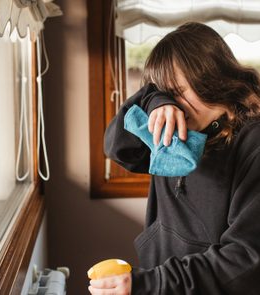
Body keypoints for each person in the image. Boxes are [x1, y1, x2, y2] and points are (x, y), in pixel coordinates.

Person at [88, 22, 260, 294]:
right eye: (165, 94)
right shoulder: (173, 133)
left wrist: (151, 283)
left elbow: (246, 261)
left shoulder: (253, 145)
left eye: (178, 92)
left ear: (210, 76)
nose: (174, 106)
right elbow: (117, 147)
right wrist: (153, 100)